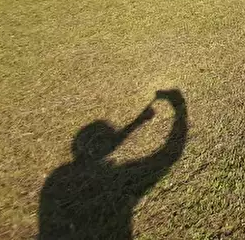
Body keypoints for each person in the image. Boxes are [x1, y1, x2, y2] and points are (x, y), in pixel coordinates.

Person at [39, 89, 187, 240]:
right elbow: (170, 154)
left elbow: (108, 148)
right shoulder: (115, 180)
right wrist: (178, 107)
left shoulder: (60, 177)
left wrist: (138, 122)